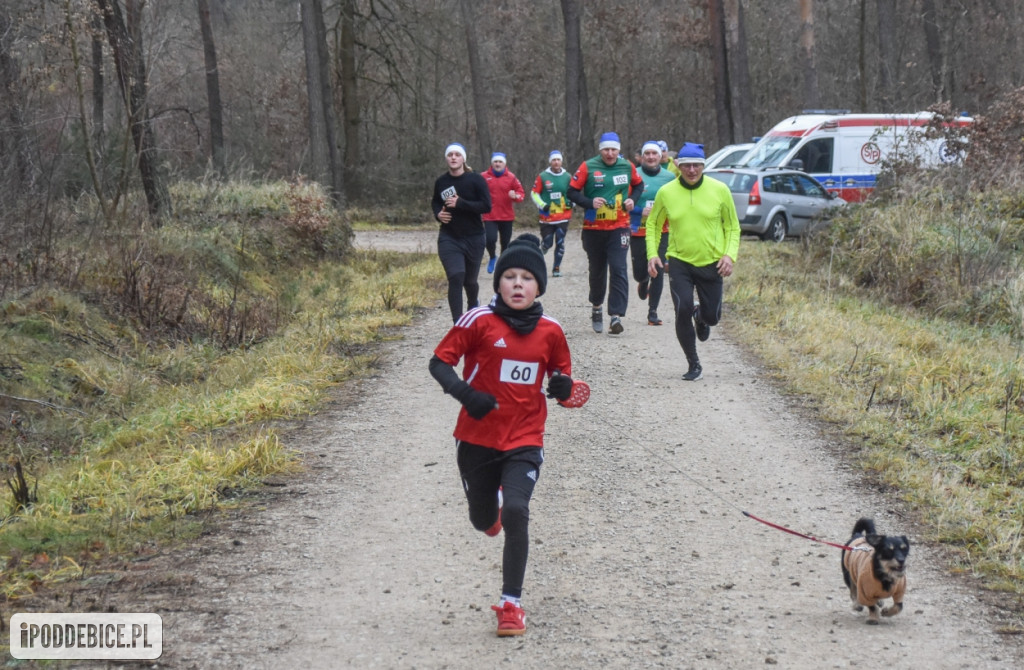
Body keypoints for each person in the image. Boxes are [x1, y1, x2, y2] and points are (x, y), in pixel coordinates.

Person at [428, 233, 580, 637]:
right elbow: (438, 363)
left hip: (525, 438)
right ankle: (487, 513)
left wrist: (563, 386)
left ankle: (511, 604)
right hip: (476, 438)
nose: (517, 283)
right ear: (497, 284)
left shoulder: (551, 330)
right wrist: (465, 393)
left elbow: (560, 374)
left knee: (516, 510)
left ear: (539, 286)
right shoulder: (478, 320)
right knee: (483, 520)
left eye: (527, 278)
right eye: (509, 276)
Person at [646, 142, 740, 381]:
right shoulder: (666, 192)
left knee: (712, 318)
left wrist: (729, 255)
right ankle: (693, 363)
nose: (691, 170)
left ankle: (702, 317)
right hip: (679, 261)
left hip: (712, 262)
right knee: (682, 309)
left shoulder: (720, 190)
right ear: (678, 166)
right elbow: (653, 224)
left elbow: (732, 227)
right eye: (686, 166)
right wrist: (652, 254)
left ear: (703, 166)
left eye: (696, 166)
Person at [567, 132, 644, 335]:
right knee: (597, 270)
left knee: (618, 269)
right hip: (594, 228)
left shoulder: (627, 166)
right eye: (606, 150)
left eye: (613, 150)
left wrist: (632, 200)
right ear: (600, 150)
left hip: (620, 226)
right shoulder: (588, 166)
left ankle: (616, 316)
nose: (610, 154)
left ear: (619, 150)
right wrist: (589, 202)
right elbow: (571, 192)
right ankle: (596, 306)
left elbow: (639, 185)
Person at [432, 143, 492, 323]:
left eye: (457, 154)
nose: (453, 157)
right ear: (446, 158)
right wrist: (438, 214)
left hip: (474, 237)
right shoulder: (441, 182)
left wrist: (461, 203)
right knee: (456, 276)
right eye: (450, 154)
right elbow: (435, 202)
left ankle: (473, 302)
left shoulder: (476, 180)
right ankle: (458, 324)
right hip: (449, 237)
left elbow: (486, 206)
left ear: (463, 159)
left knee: (470, 281)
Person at [629, 141, 676, 326]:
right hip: (637, 229)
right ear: (641, 157)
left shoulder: (670, 177)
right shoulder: (634, 175)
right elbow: (625, 202)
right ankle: (642, 281)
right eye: (646, 153)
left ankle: (652, 312)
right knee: (640, 272)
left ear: (660, 156)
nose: (650, 157)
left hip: (661, 230)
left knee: (657, 267)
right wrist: (640, 211)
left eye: (654, 154)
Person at [530, 150, 573, 278]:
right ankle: (539, 253)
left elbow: (573, 193)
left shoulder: (567, 177)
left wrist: (572, 203)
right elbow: (534, 193)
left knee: (560, 240)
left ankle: (556, 267)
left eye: (558, 160)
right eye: (554, 160)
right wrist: (543, 205)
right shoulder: (543, 176)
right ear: (550, 162)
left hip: (563, 216)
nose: (556, 162)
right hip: (547, 216)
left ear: (561, 161)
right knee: (548, 242)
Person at [482, 152, 526, 274]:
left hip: (506, 216)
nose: (497, 164)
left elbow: (521, 194)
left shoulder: (511, 177)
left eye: (500, 162)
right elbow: (476, 191)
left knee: (505, 242)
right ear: (492, 163)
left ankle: (503, 262)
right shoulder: (484, 177)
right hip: (489, 215)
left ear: (504, 164)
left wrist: (515, 196)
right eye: (495, 162)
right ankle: (492, 257)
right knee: (490, 240)